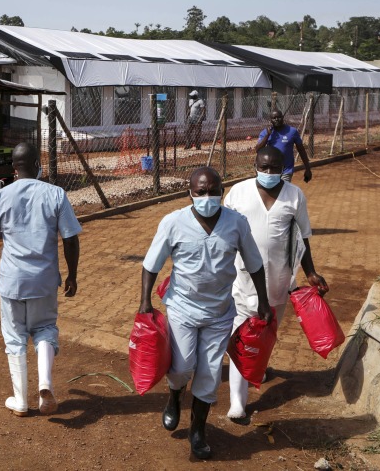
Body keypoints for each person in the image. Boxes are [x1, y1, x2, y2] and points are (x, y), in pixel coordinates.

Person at [138, 166, 271, 460]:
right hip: (182, 308)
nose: (207, 197)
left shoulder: (237, 224)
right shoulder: (173, 223)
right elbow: (151, 264)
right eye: (201, 191)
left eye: (213, 191)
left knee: (209, 375)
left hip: (220, 312)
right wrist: (144, 301)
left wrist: (263, 300)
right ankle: (174, 397)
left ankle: (198, 430)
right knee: (183, 366)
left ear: (222, 192)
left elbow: (254, 263)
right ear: (190, 193)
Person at [223, 146, 329, 420]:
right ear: (255, 164)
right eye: (264, 167)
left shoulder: (294, 196)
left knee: (266, 334)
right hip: (243, 281)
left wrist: (311, 272)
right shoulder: (238, 193)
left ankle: (258, 368)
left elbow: (302, 237)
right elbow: (223, 235)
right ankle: (238, 400)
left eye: (274, 168)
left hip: (279, 282)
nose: (268, 173)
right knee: (242, 338)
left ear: (284, 169)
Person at [0, 142, 81, 417]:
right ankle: (45, 385)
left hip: (12, 281)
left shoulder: (0, 197)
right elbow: (70, 239)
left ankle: (21, 400)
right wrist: (72, 274)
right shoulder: (56, 194)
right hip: (44, 280)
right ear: (38, 164)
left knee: (15, 337)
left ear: (14, 168)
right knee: (46, 328)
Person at [255, 110, 313, 183]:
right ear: (270, 120)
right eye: (274, 118)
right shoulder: (265, 132)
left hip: (286, 170)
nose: (276, 119)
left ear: (282, 117)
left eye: (278, 117)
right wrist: (267, 136)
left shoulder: (292, 131)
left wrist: (307, 168)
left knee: (283, 190)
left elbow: (301, 150)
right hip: (271, 171)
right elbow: (258, 149)